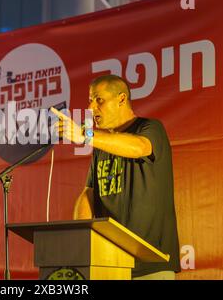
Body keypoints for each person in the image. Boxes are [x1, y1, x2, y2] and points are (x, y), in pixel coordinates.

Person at [52, 74, 181, 280]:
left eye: (99, 99)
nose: (92, 107)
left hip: (150, 265)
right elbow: (89, 194)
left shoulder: (150, 128)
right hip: (110, 264)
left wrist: (86, 135)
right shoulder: (101, 147)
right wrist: (79, 239)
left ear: (121, 99)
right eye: (90, 100)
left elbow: (139, 147)